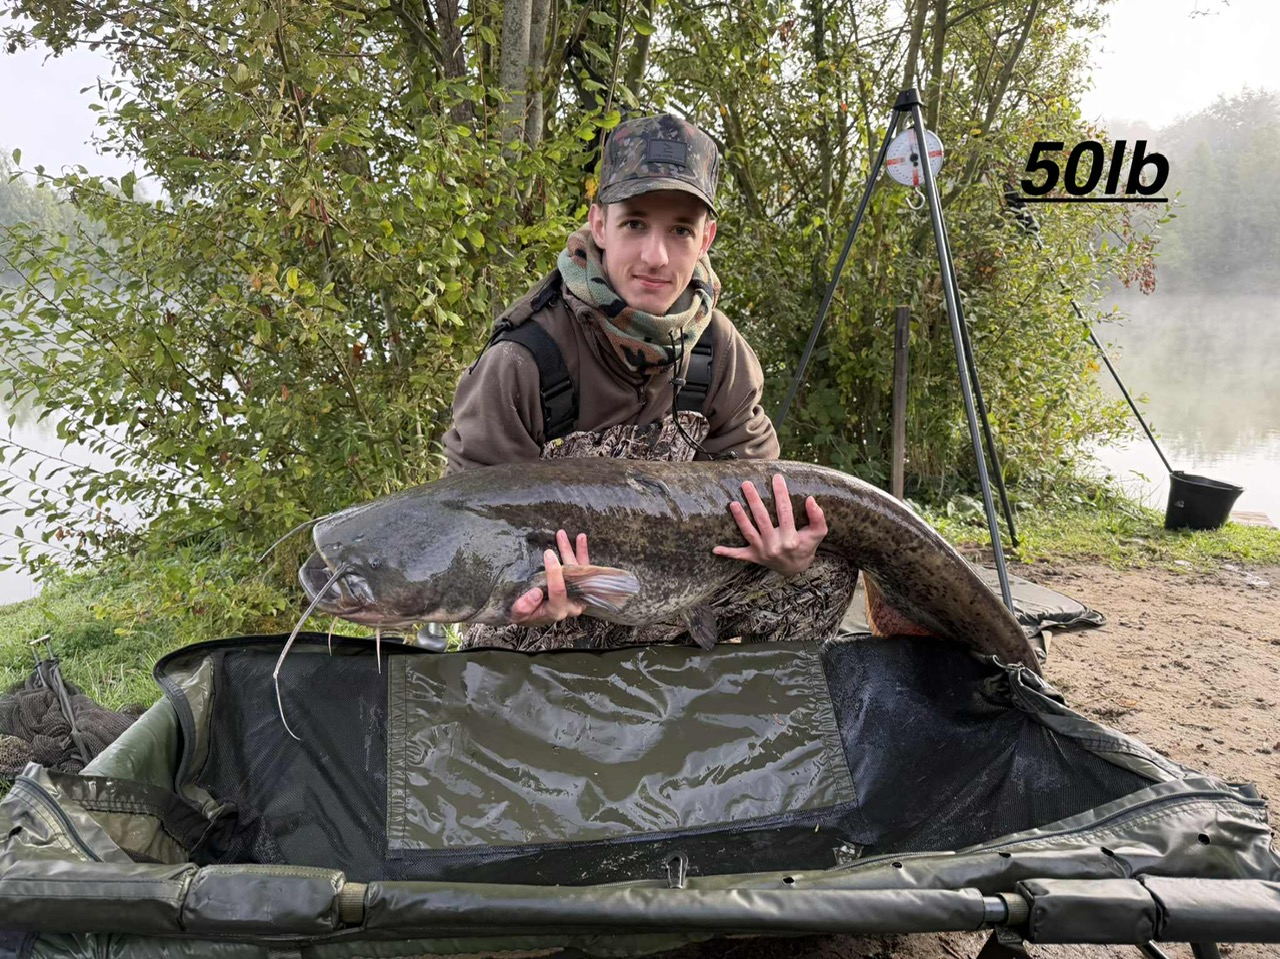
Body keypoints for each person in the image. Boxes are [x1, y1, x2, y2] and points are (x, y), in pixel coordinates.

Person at [443, 113, 852, 650]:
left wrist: (787, 548)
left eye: (680, 230)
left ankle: (716, 695)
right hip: (555, 599)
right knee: (502, 624)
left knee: (823, 576)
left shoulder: (720, 351)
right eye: (635, 223)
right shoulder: (523, 359)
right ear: (599, 225)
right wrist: (528, 596)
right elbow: (464, 526)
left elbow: (762, 487)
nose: (655, 257)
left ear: (705, 239)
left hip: (683, 584)